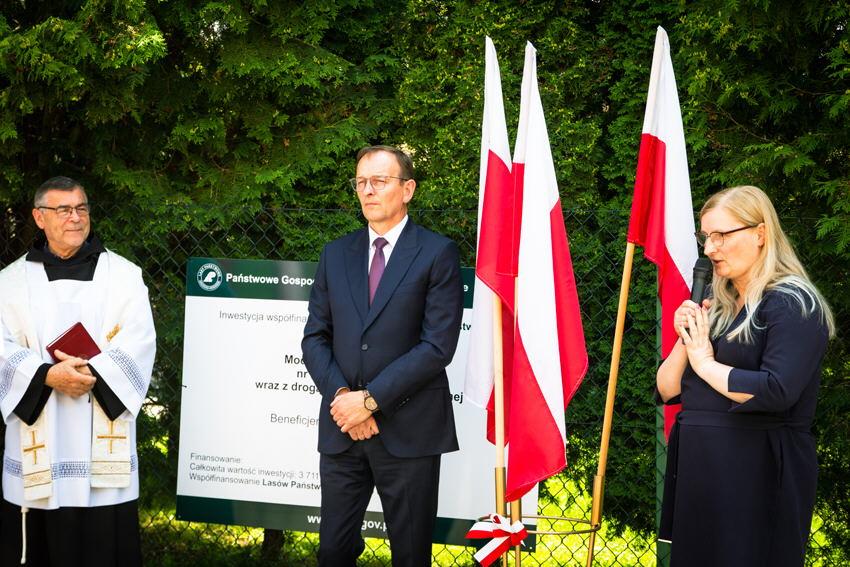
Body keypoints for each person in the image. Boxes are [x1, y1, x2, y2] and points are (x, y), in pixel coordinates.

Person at [301, 145, 464, 566]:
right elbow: (315, 338)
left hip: (409, 431)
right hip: (343, 431)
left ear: (408, 189)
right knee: (332, 552)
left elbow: (437, 346)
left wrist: (370, 401)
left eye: (379, 181)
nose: (368, 191)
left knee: (410, 555)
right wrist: (345, 399)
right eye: (361, 182)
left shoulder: (437, 253)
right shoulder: (335, 254)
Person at [657, 185, 835, 566]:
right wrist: (686, 337)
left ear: (760, 234)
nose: (709, 249)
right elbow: (668, 389)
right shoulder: (718, 306)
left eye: (721, 235)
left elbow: (776, 389)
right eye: (706, 237)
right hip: (701, 471)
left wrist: (706, 364)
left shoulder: (793, 304)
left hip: (755, 475)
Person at [0, 176, 156, 566]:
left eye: (81, 208)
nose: (75, 217)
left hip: (103, 450)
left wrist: (89, 373)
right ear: (39, 217)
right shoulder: (9, 283)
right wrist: (46, 376)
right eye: (63, 209)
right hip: (39, 443)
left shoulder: (124, 275)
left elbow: (140, 341)